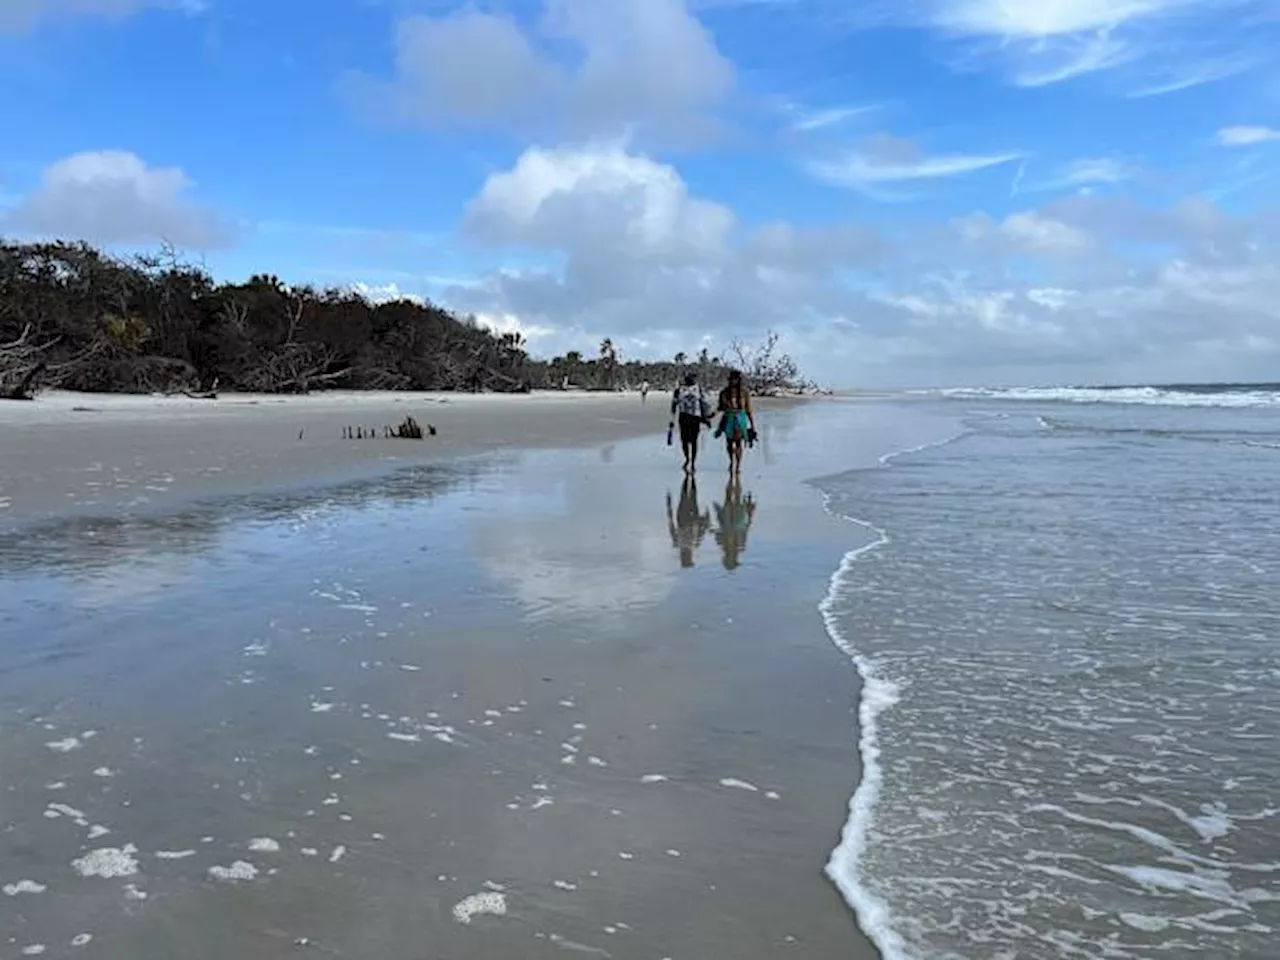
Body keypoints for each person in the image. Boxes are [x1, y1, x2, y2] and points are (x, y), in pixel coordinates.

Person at [716, 369, 756, 475]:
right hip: (728, 419)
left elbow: (748, 409)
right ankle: (731, 461)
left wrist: (752, 425)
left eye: (736, 379)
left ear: (739, 380)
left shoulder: (744, 393)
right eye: (732, 379)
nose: (733, 381)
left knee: (738, 443)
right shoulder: (724, 392)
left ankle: (738, 465)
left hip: (740, 419)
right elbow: (720, 407)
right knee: (729, 443)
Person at [670, 372, 709, 474]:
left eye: (693, 378)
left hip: (695, 417)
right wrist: (672, 420)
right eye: (690, 378)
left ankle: (693, 463)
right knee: (684, 441)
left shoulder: (699, 389)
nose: (692, 380)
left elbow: (703, 403)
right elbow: (673, 405)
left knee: (694, 441)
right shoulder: (679, 390)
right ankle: (687, 458)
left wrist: (705, 418)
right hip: (683, 417)